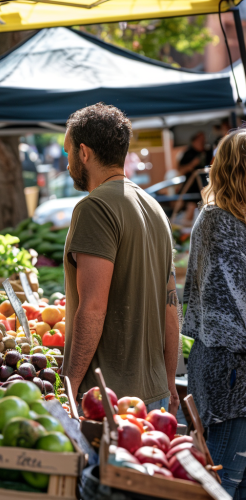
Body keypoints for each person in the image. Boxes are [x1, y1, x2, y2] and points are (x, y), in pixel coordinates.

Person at [61, 103, 180, 415]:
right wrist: (168, 379)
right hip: (155, 395)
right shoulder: (155, 208)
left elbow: (93, 308)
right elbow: (171, 304)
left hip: (108, 400)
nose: (68, 162)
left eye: (68, 152)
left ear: (83, 153)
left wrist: (70, 385)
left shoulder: (94, 208)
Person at [183, 129, 246, 498]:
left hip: (227, 370)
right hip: (230, 379)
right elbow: (231, 314)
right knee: (222, 486)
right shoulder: (219, 222)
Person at [178, 132, 212, 224]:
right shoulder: (188, 153)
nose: (203, 141)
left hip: (206, 187)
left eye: (204, 139)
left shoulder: (208, 152)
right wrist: (193, 164)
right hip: (192, 187)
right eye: (200, 139)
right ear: (194, 140)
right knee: (191, 208)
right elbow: (181, 169)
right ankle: (185, 234)